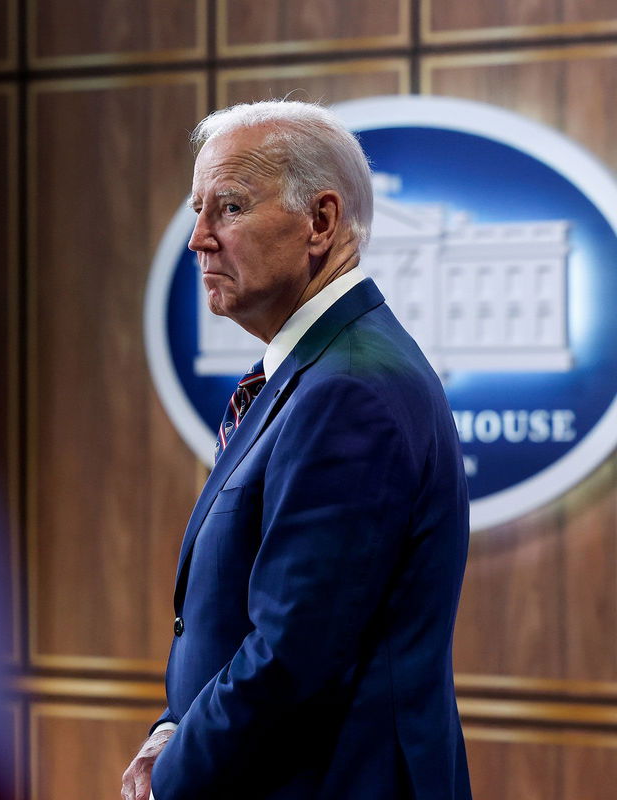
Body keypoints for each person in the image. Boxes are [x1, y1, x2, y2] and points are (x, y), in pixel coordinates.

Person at [121, 101, 471, 800]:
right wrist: (172, 729)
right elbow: (239, 620)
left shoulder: (353, 389)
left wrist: (173, 776)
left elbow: (293, 653)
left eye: (228, 207)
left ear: (320, 221)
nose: (198, 240)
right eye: (198, 210)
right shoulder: (319, 371)